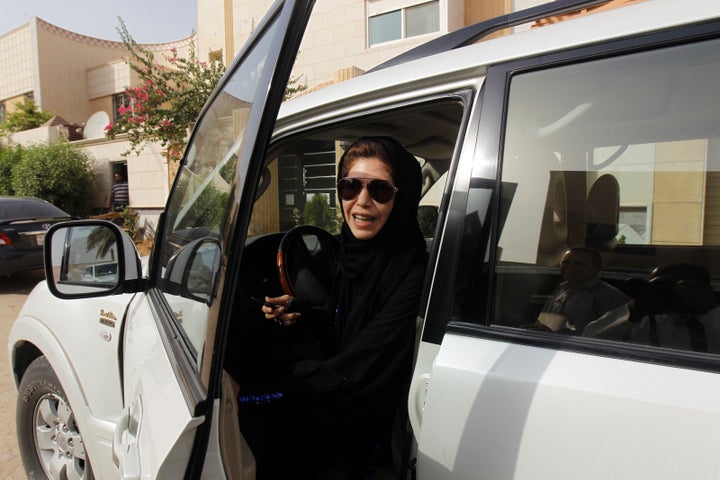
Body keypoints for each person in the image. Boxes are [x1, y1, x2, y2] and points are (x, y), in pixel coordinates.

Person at [248, 137, 428, 479]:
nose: (362, 202)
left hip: (367, 426)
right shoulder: (353, 253)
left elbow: (364, 361)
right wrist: (300, 311)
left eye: (380, 190)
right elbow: (345, 319)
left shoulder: (411, 269)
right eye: (350, 187)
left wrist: (269, 387)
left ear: (401, 199)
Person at [537, 246, 628, 334]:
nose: (570, 267)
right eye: (566, 262)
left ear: (596, 269)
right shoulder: (560, 290)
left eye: (579, 264)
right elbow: (544, 322)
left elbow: (612, 335)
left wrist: (558, 335)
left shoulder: (610, 297)